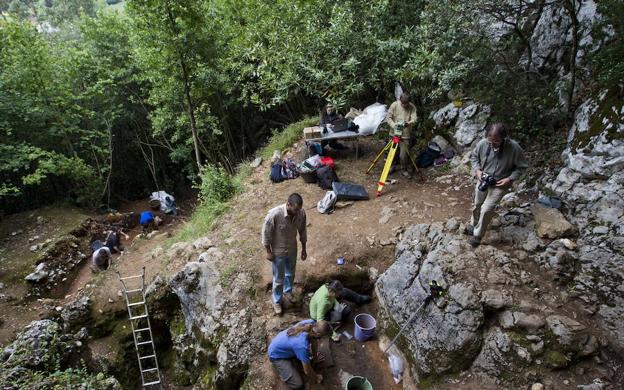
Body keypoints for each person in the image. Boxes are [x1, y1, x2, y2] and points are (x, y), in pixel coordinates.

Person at [465, 123, 528, 247]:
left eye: (497, 141)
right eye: (490, 140)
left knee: (487, 209)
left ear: (504, 138)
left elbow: (521, 167)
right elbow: (474, 158)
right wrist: (477, 170)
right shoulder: (483, 144)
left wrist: (510, 179)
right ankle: (474, 224)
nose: (493, 144)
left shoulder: (514, 148)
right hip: (483, 180)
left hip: (500, 184)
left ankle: (477, 235)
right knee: (477, 204)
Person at [262, 193, 307, 315]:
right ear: (288, 204)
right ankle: (277, 301)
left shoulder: (301, 213)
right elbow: (266, 234)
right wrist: (268, 251)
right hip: (278, 252)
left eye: (298, 210)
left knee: (290, 274)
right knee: (278, 278)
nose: (297, 212)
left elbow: (303, 232)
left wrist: (304, 249)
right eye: (295, 209)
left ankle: (288, 291)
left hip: (292, 249)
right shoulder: (275, 214)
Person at [268, 320, 329, 389]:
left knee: (305, 355)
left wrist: (315, 358)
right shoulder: (302, 345)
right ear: (317, 334)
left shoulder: (311, 322)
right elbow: (307, 371)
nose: (321, 339)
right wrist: (316, 377)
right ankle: (282, 373)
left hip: (281, 343)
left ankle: (294, 359)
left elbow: (314, 341)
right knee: (298, 384)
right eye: (322, 337)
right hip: (275, 355)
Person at [386, 92, 418, 178]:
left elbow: (414, 118)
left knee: (403, 155)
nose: (404, 105)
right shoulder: (394, 105)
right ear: (400, 100)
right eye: (403, 103)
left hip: (405, 135)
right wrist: (394, 126)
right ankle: (392, 166)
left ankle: (404, 169)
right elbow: (388, 117)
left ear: (409, 102)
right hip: (394, 134)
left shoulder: (412, 107)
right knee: (392, 152)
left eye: (406, 104)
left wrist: (409, 123)